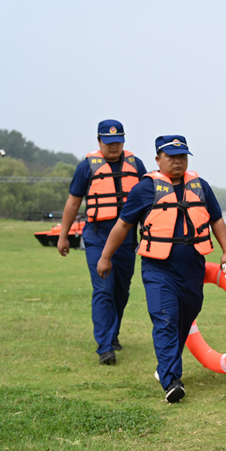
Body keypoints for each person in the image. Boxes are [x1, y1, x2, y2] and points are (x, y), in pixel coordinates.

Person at [97, 135, 226, 403]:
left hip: (193, 267)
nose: (178, 161)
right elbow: (122, 225)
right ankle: (172, 380)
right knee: (165, 319)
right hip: (158, 269)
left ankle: (166, 365)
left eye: (182, 156)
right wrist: (105, 257)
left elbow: (216, 220)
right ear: (158, 159)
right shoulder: (144, 189)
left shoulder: (201, 186)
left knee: (187, 314)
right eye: (171, 157)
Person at [58, 119, 148, 365]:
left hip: (127, 241)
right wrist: (64, 235)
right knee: (103, 289)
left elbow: (147, 202)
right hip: (97, 237)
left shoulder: (136, 165)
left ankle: (113, 334)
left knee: (121, 291)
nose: (114, 147)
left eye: (118, 141)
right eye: (108, 142)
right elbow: (73, 202)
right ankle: (105, 347)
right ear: (99, 142)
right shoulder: (86, 168)